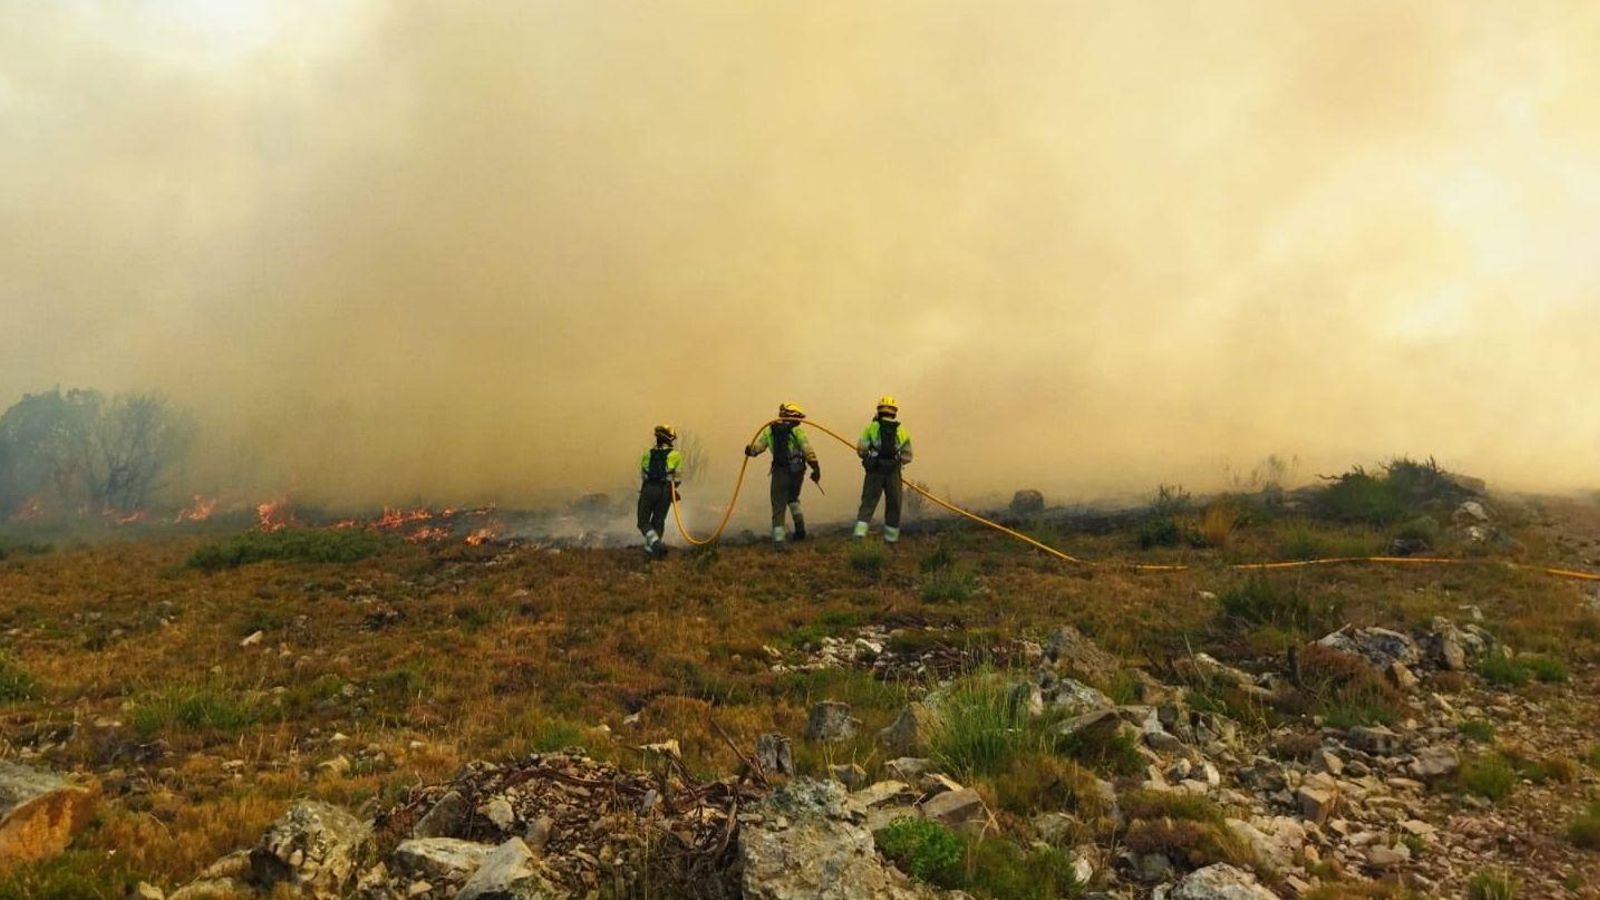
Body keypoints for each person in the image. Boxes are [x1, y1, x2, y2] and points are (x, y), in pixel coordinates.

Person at [745, 402, 821, 547]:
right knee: (793, 499)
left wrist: (750, 450)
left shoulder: (769, 431)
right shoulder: (797, 431)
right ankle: (800, 531)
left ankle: (779, 541)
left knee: (778, 506)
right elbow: (807, 450)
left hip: (780, 473)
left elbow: (757, 449)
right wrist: (816, 468)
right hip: (797, 472)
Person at [853, 395, 913, 543]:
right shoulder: (901, 430)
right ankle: (891, 540)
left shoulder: (871, 428)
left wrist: (869, 458)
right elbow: (908, 456)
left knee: (868, 503)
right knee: (894, 504)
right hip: (893, 472)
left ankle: (859, 537)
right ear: (894, 412)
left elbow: (861, 449)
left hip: (874, 471)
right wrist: (897, 462)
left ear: (879, 410)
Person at [637, 424, 683, 558]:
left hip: (649, 489)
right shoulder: (676, 455)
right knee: (658, 521)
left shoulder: (647, 454)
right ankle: (652, 552)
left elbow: (644, 475)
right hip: (666, 491)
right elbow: (678, 479)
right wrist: (672, 490)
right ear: (670, 439)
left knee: (643, 522)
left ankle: (655, 545)